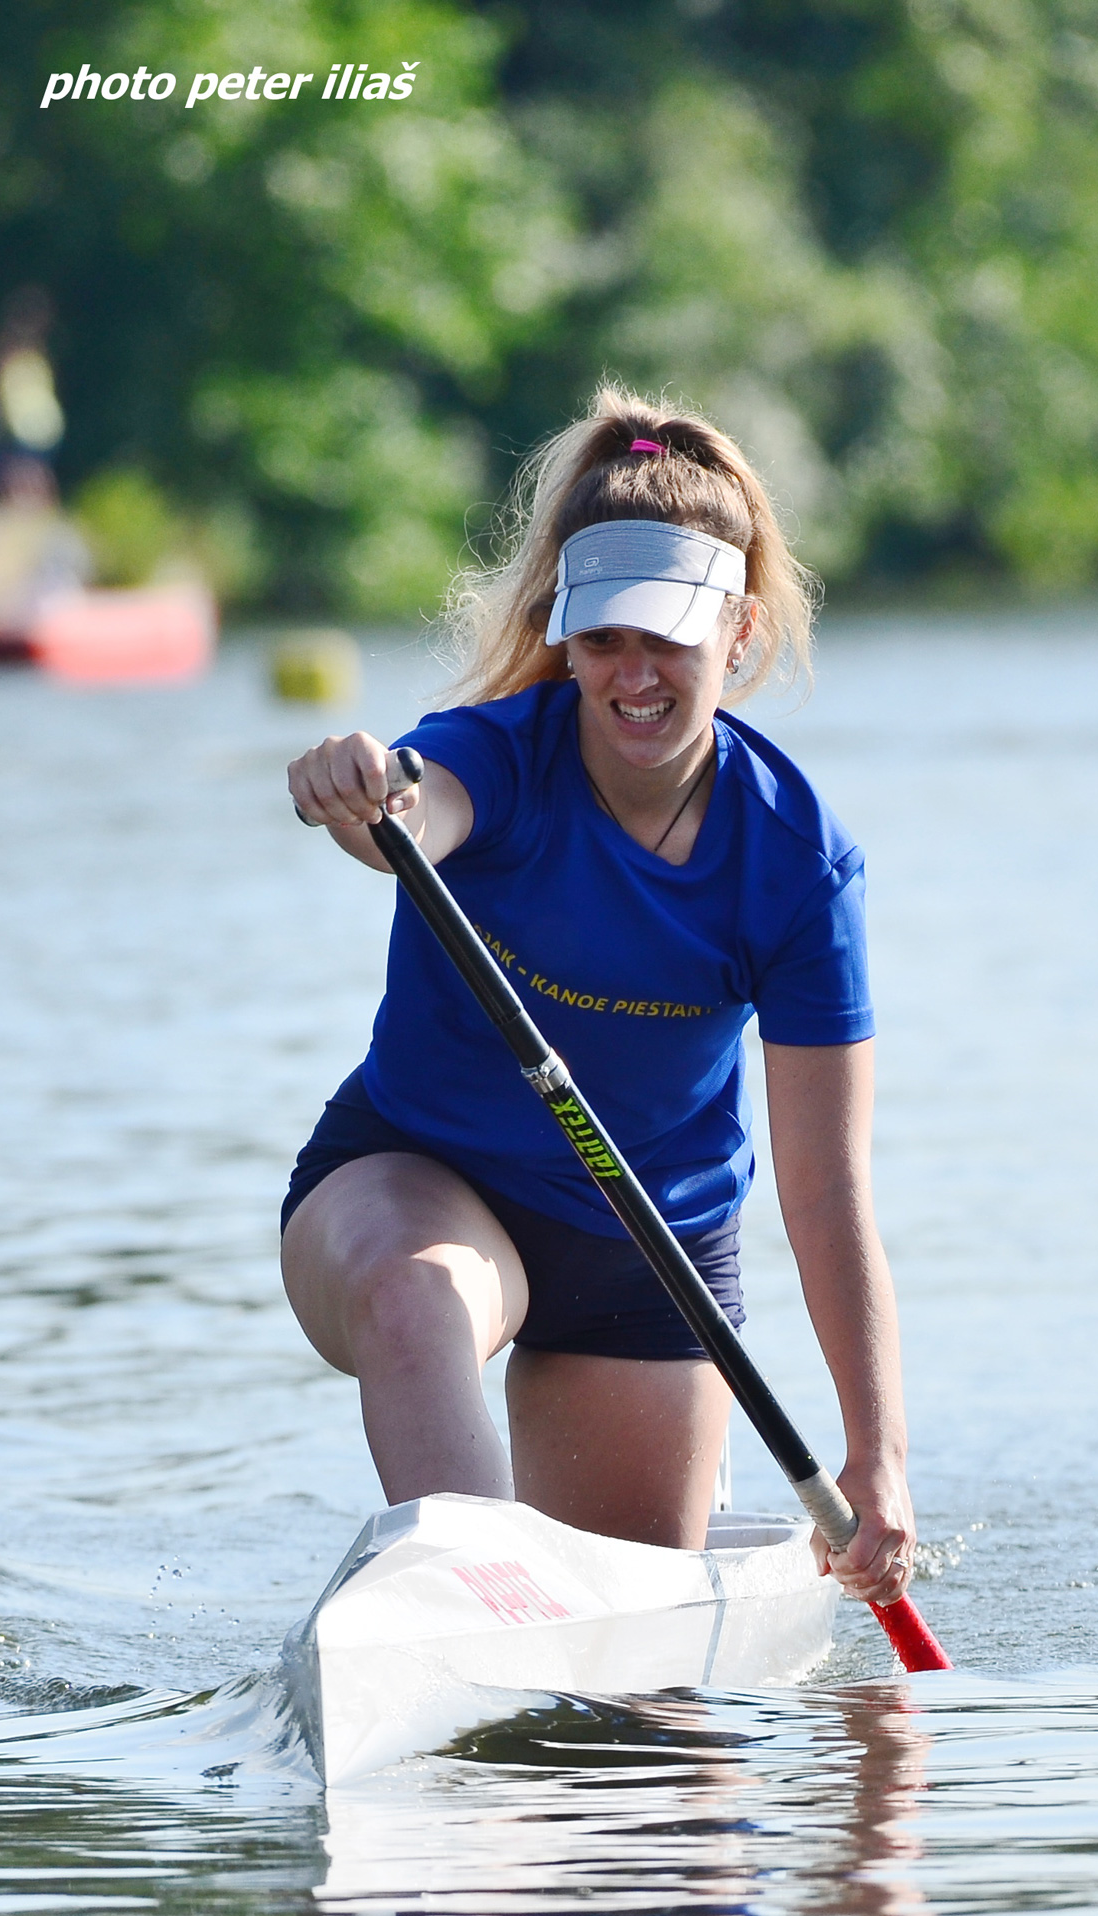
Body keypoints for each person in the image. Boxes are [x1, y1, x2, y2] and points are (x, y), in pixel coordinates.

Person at [283, 389, 915, 1609]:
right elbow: (417, 810)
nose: (635, 674)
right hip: (417, 1183)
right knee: (418, 1292)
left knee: (644, 1714)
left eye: (669, 638)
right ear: (563, 637)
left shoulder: (797, 861)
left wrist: (878, 1461)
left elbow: (828, 1190)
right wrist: (367, 798)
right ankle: (467, 1608)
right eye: (605, 637)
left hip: (651, 1251)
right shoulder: (492, 758)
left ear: (736, 633)